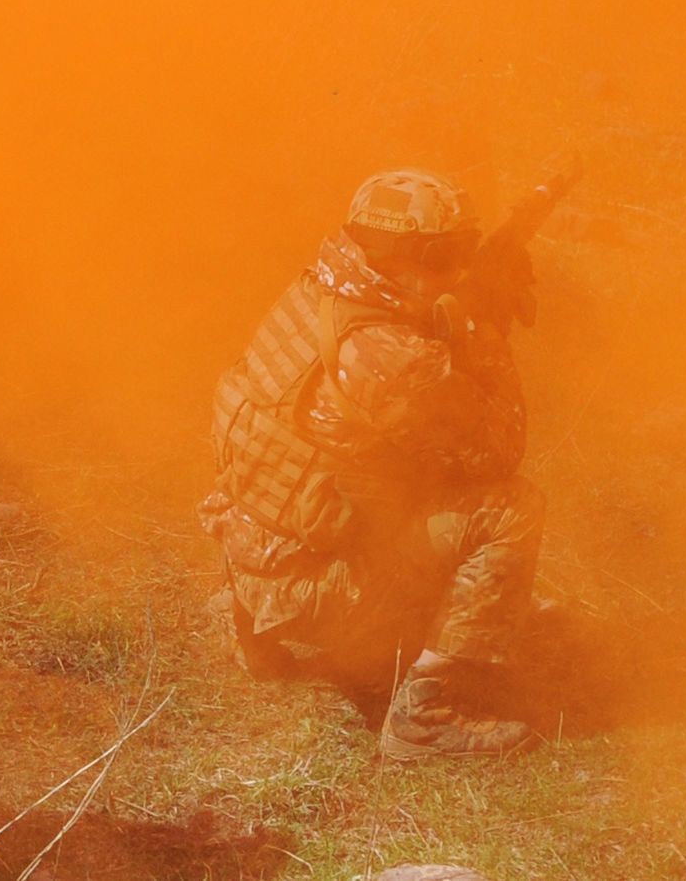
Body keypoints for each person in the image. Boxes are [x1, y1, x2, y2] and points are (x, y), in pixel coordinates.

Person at [200, 168, 554, 760]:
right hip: (319, 597)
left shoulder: (318, 293)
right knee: (511, 508)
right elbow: (498, 452)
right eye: (449, 255)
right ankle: (423, 718)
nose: (460, 270)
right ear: (408, 254)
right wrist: (486, 332)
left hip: (254, 561)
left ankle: (254, 642)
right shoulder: (392, 358)